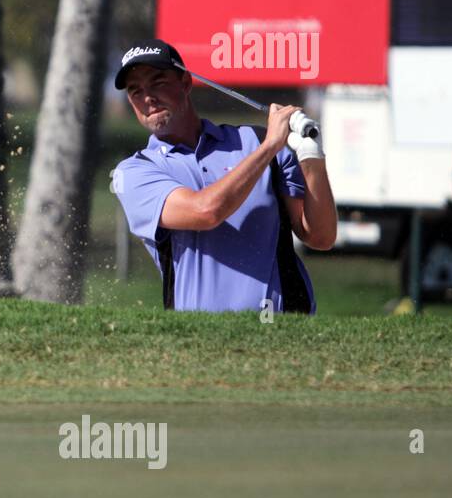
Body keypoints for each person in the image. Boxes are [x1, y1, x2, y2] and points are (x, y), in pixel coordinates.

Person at [110, 39, 337, 313]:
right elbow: (206, 212)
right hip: (200, 340)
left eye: (158, 83)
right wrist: (268, 149)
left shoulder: (255, 141)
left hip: (284, 329)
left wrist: (311, 156)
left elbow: (321, 237)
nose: (148, 97)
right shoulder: (136, 171)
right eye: (136, 91)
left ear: (185, 83)